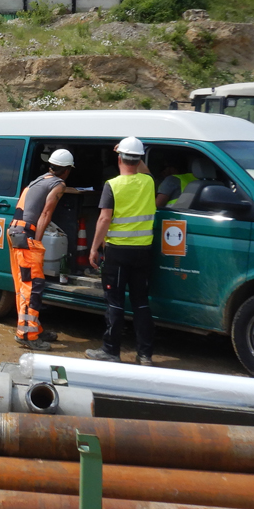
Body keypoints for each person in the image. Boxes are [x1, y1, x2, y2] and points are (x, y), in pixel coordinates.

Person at [87, 136, 156, 366]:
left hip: (117, 252)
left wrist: (94, 248)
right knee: (141, 303)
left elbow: (104, 218)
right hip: (143, 252)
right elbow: (143, 169)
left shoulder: (112, 185)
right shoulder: (148, 183)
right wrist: (135, 154)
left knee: (115, 302)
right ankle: (145, 355)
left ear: (119, 158)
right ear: (139, 159)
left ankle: (111, 351)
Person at [9, 149, 74, 351]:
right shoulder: (58, 184)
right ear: (67, 170)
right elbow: (46, 213)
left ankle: (33, 328)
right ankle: (27, 334)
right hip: (26, 237)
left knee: (23, 286)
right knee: (32, 286)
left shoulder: (40, 179)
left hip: (14, 232)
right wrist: (37, 242)